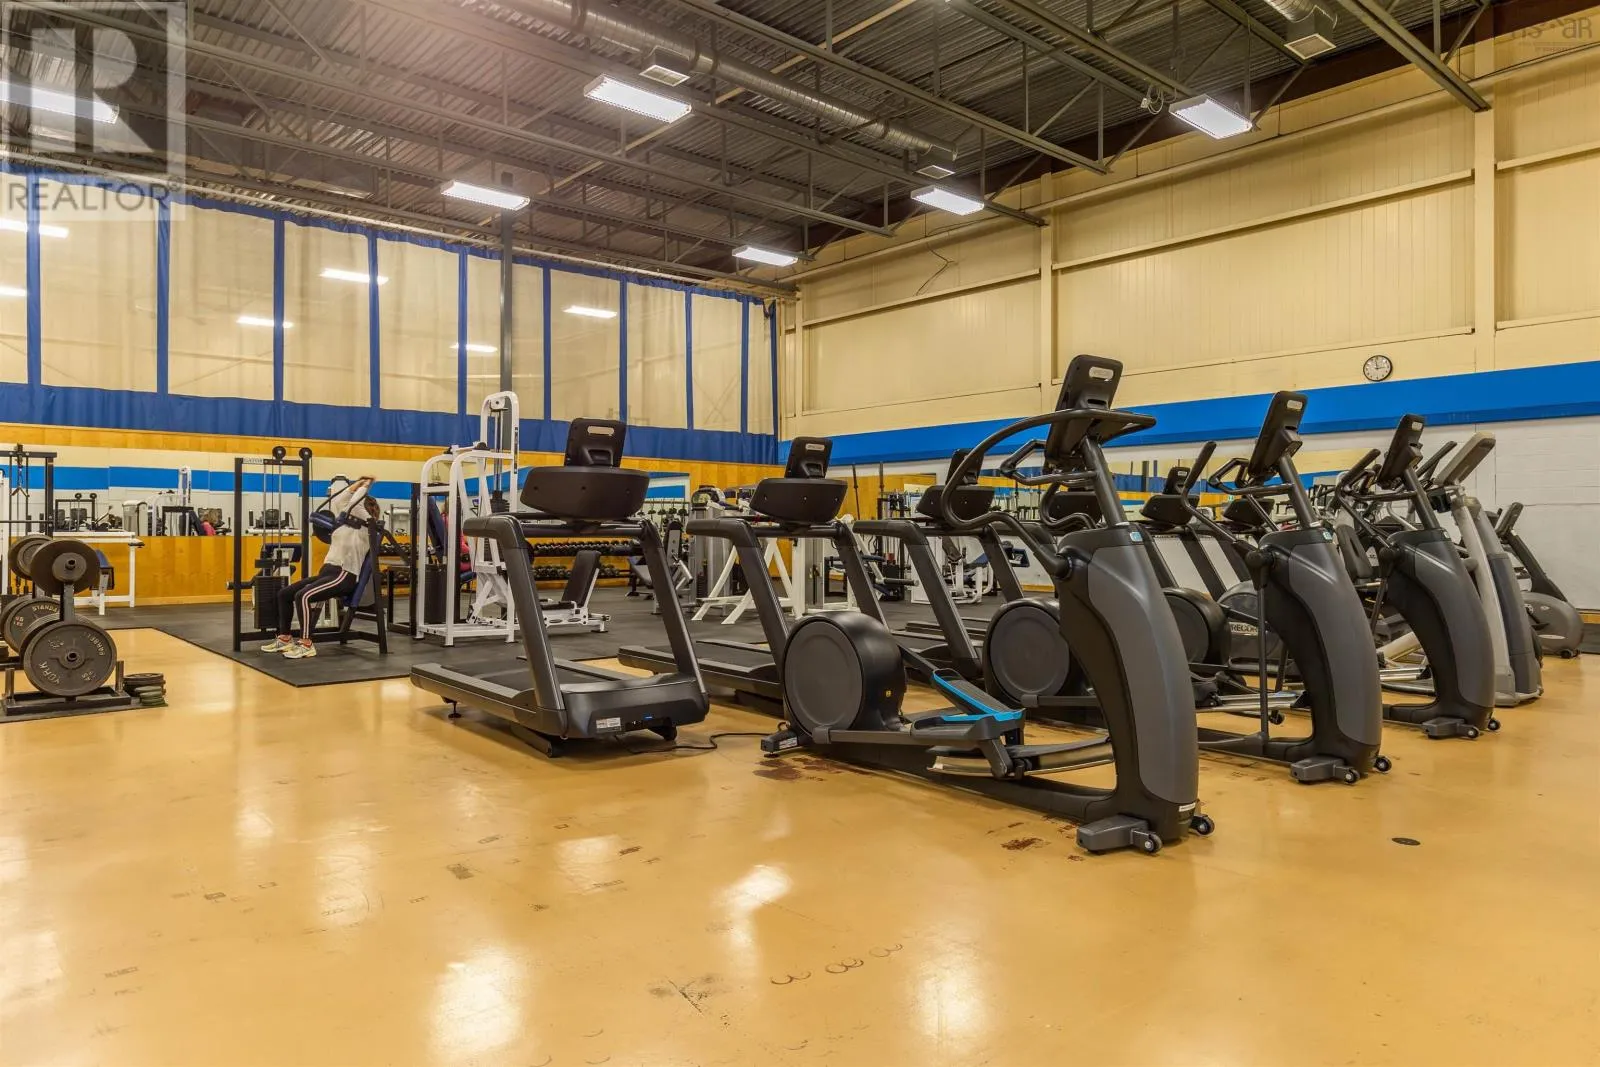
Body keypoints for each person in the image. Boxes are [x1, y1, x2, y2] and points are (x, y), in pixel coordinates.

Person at [261, 476, 380, 660]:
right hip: (327, 572)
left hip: (343, 575)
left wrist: (366, 484)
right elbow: (341, 500)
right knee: (285, 594)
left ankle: (306, 644)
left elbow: (354, 503)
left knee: (303, 596)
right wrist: (357, 482)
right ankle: (285, 638)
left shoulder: (367, 528)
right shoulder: (347, 524)